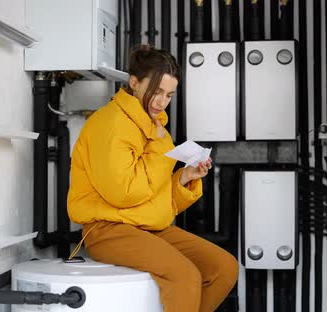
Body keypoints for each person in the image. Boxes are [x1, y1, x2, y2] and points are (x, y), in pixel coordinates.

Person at [67, 45, 239, 312]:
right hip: (108, 229)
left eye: (169, 95)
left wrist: (183, 178)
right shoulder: (111, 125)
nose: (161, 102)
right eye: (156, 91)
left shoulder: (154, 126)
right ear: (134, 82)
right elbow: (124, 194)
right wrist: (160, 150)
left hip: (147, 227)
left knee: (224, 268)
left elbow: (155, 199)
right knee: (185, 276)